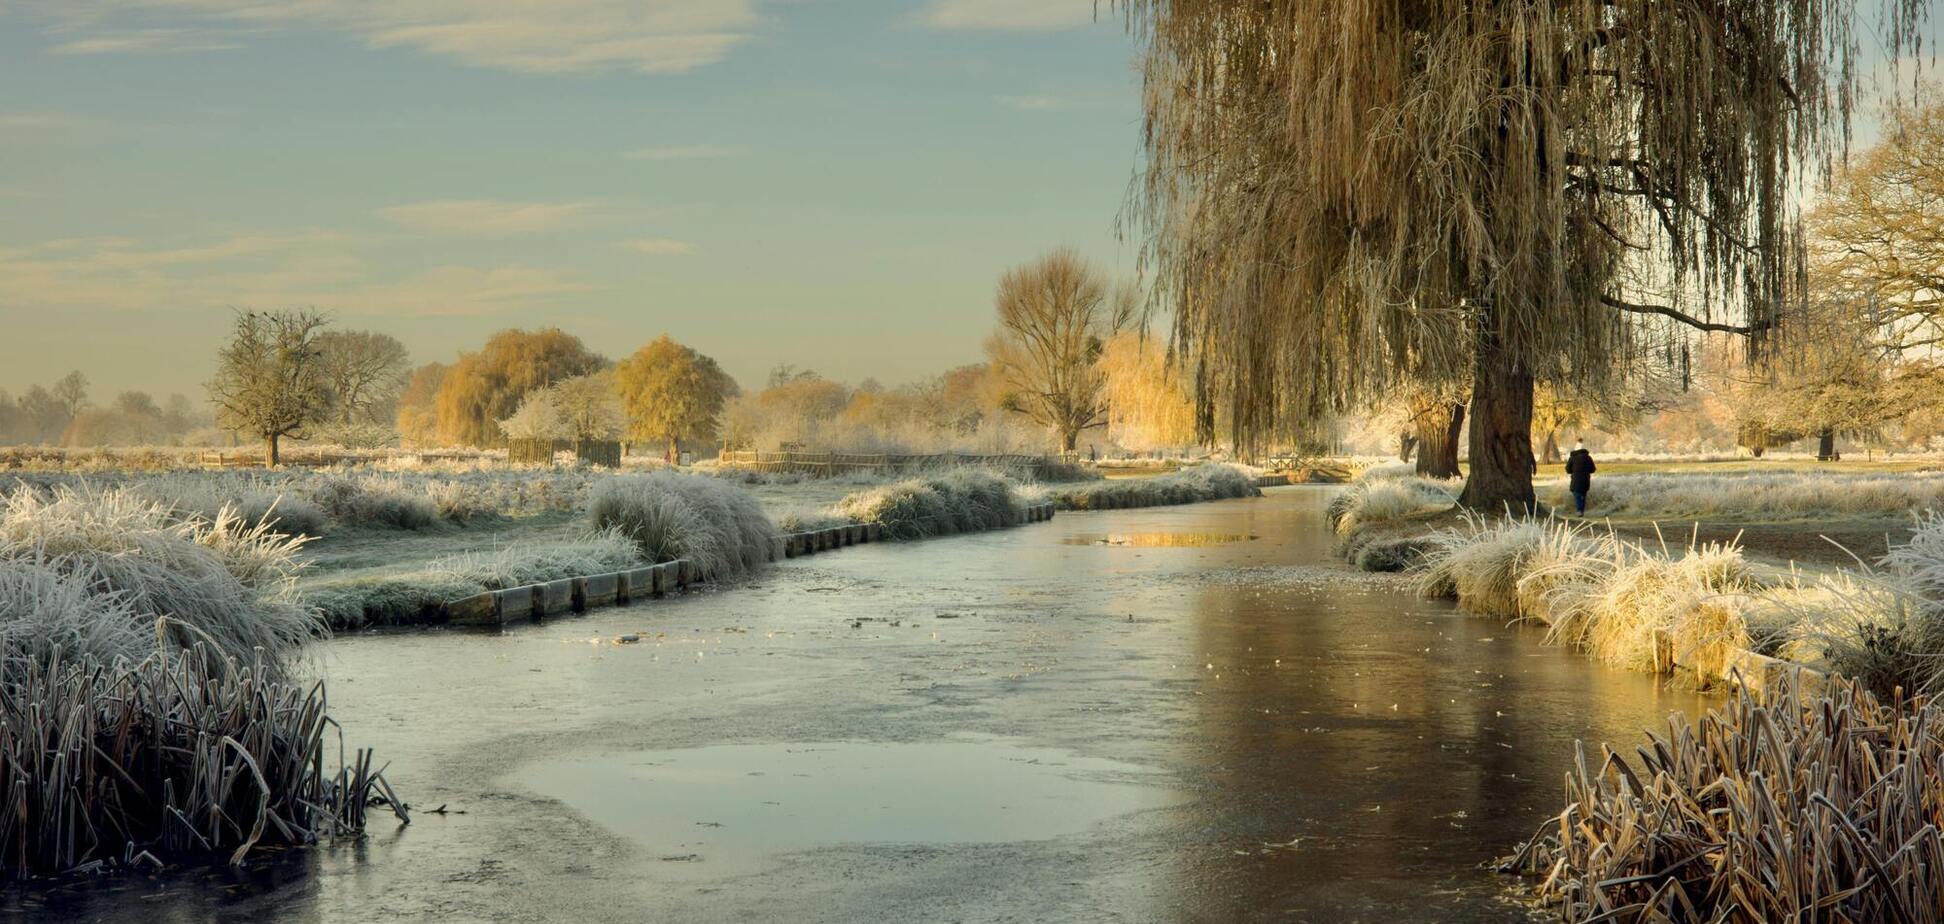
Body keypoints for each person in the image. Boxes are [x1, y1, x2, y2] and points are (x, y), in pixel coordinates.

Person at [1564, 440, 1596, 515]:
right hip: (1585, 480)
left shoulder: (1572, 458)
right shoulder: (1588, 458)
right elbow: (1593, 469)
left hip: (1575, 480)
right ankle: (1581, 511)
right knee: (1583, 495)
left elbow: (1567, 470)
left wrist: (1574, 471)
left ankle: (1579, 511)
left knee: (1577, 494)